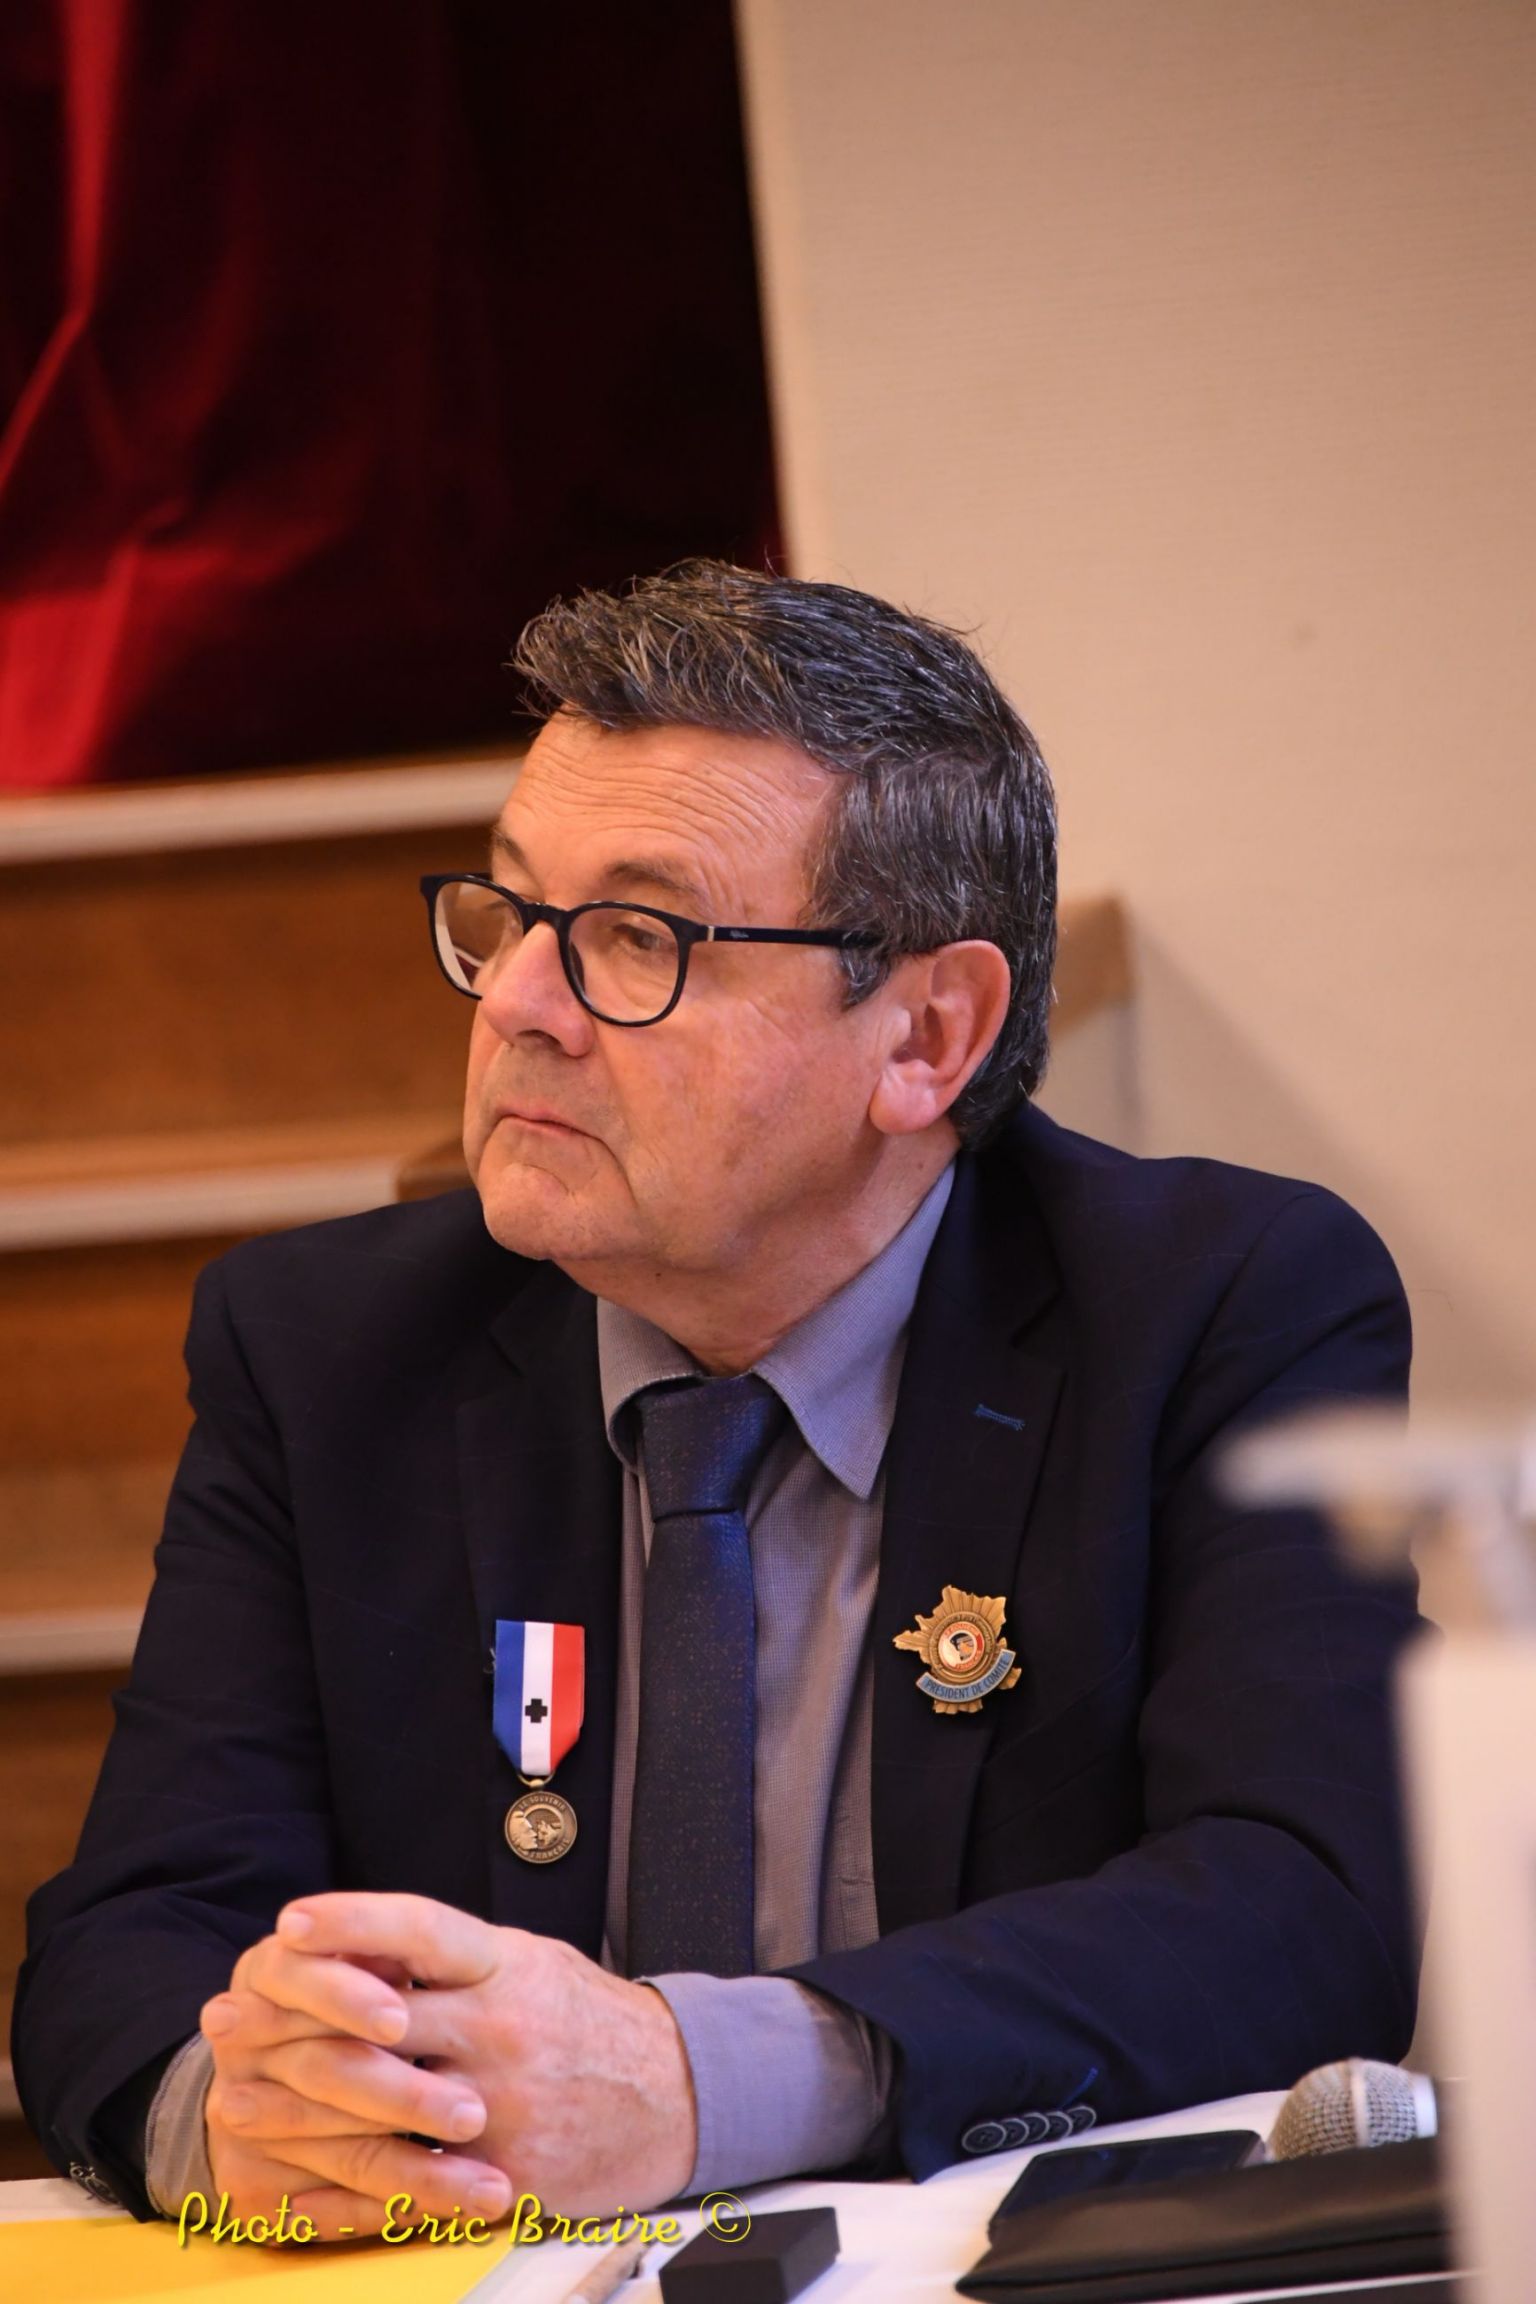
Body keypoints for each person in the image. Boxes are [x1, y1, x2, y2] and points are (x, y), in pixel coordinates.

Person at [13, 561, 1420, 2235]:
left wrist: (702, 2081)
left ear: (927, 1035)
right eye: (509, 914)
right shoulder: (325, 1348)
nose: (517, 1006)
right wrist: (237, 2115)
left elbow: (1303, 1909)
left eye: (638, 939)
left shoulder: (1215, 1307)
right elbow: (127, 1939)